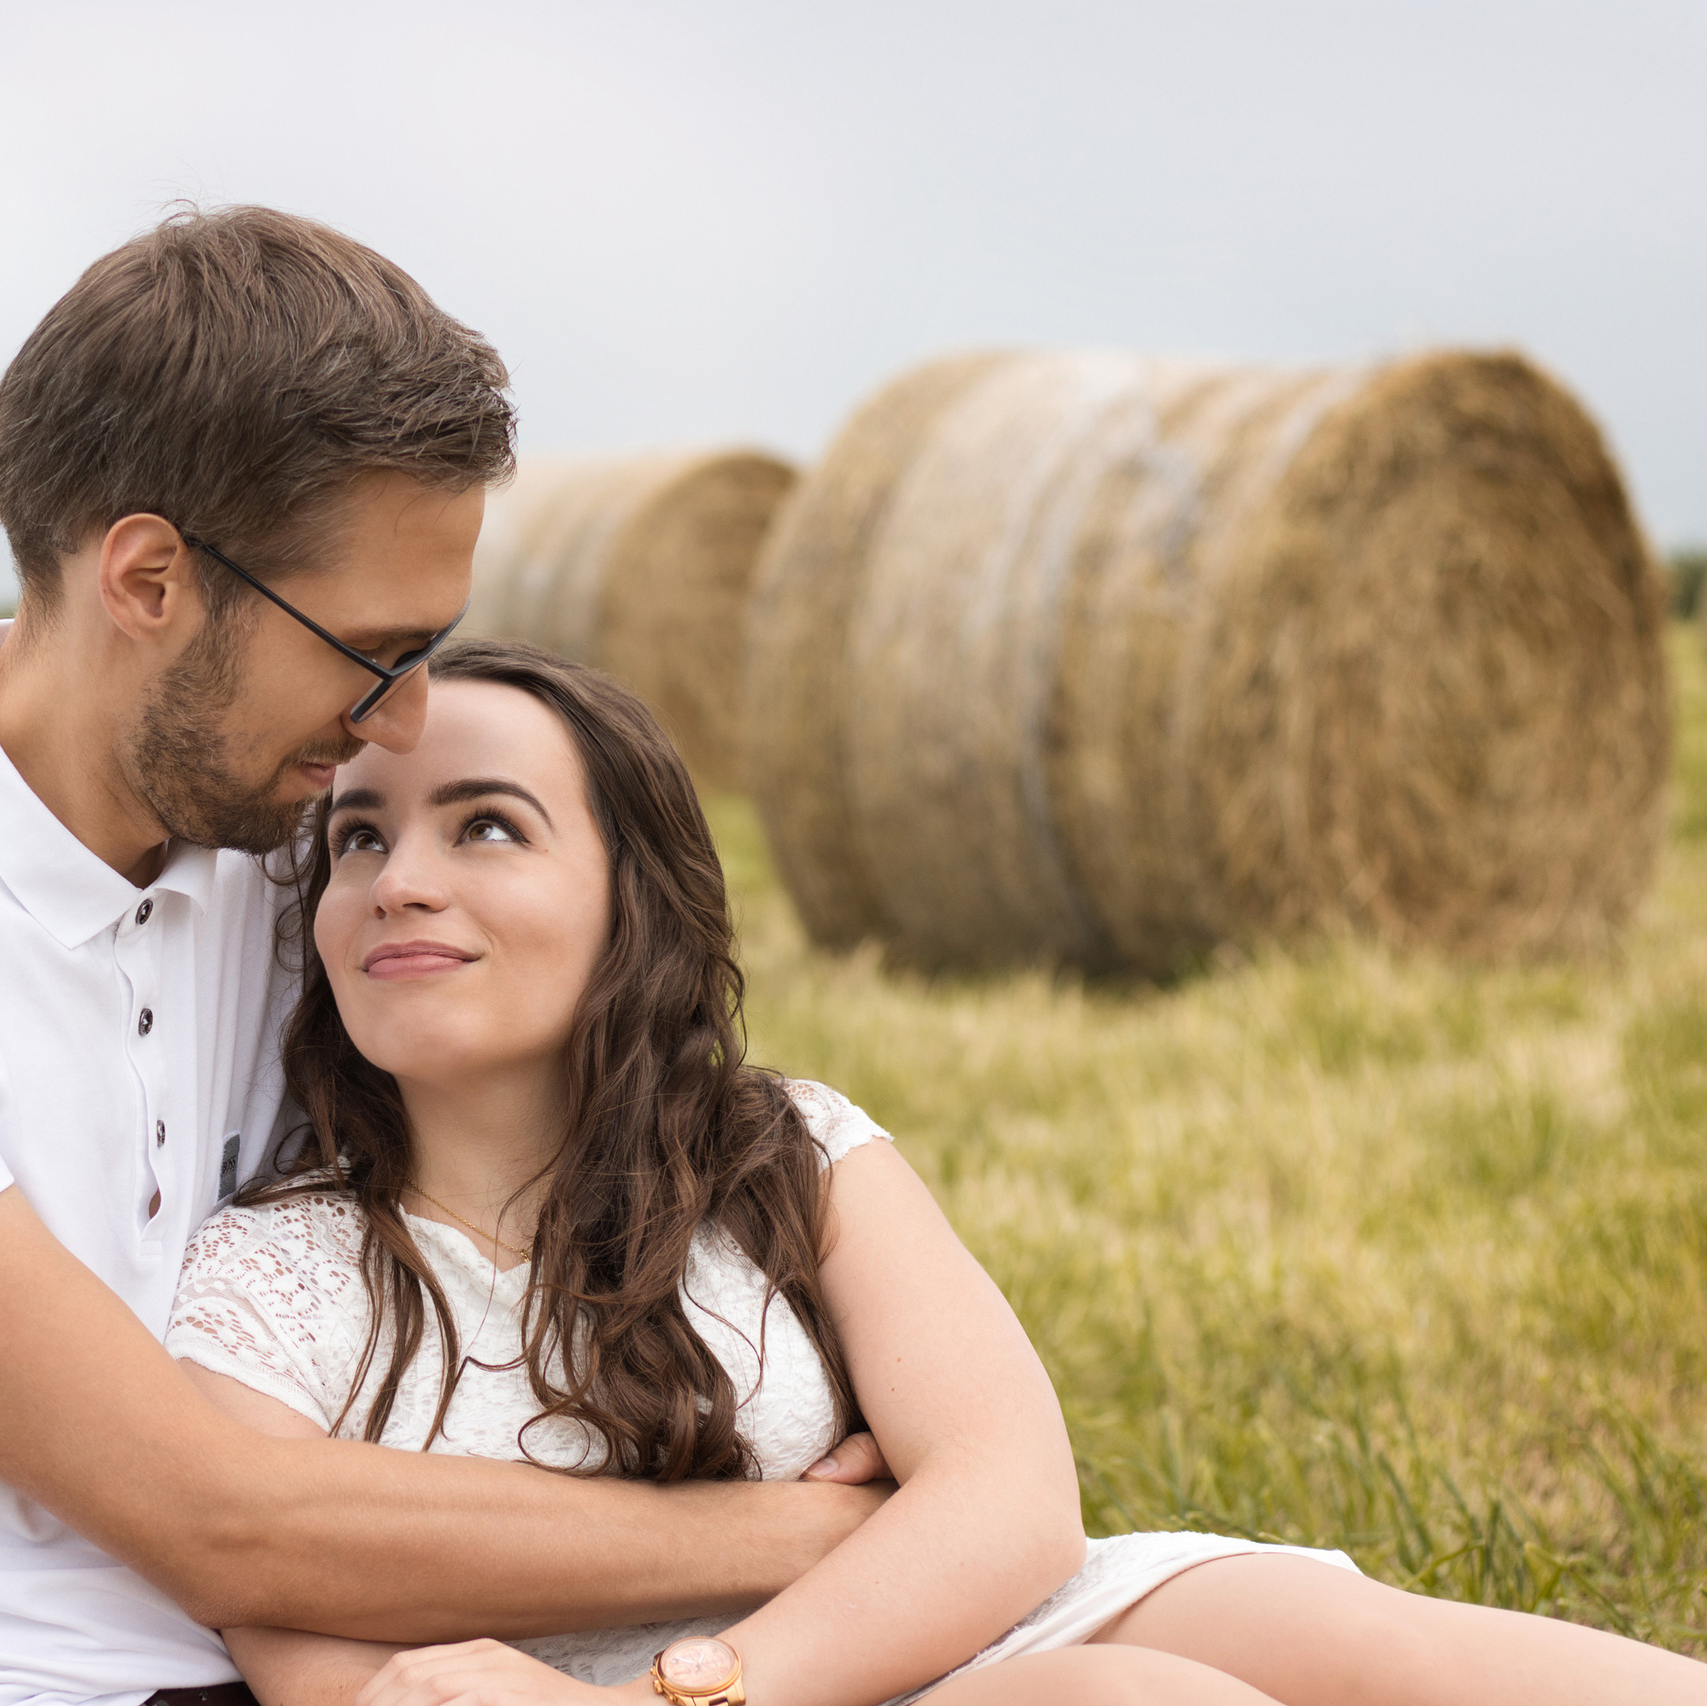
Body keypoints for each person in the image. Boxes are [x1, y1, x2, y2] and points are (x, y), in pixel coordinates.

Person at [0, 207, 887, 1706]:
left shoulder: (309, 874)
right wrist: (805, 1531)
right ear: (148, 580)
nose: (403, 719)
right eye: (371, 650)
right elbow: (214, 1520)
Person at [167, 639, 1707, 1706]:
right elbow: (294, 1621)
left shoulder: (781, 1149)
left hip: (938, 1628)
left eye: (486, 826)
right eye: (357, 839)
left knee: (1396, 1654)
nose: (400, 879)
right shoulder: (271, 1273)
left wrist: (685, 1694)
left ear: (632, 901)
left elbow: (1013, 1502)